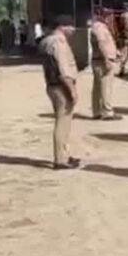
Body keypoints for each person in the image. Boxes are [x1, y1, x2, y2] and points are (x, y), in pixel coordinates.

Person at [38, 15, 81, 170]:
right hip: (61, 86)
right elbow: (64, 70)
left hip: (53, 85)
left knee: (64, 122)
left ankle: (64, 154)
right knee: (63, 123)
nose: (73, 30)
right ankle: (60, 159)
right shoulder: (59, 43)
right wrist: (72, 90)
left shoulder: (47, 41)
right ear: (62, 27)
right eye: (70, 26)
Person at [90, 7, 123, 121]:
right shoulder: (99, 27)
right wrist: (107, 60)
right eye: (109, 16)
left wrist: (115, 52)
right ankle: (107, 112)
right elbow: (101, 44)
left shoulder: (101, 27)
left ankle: (97, 111)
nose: (111, 19)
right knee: (106, 87)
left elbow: (106, 43)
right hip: (102, 61)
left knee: (98, 87)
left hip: (101, 59)